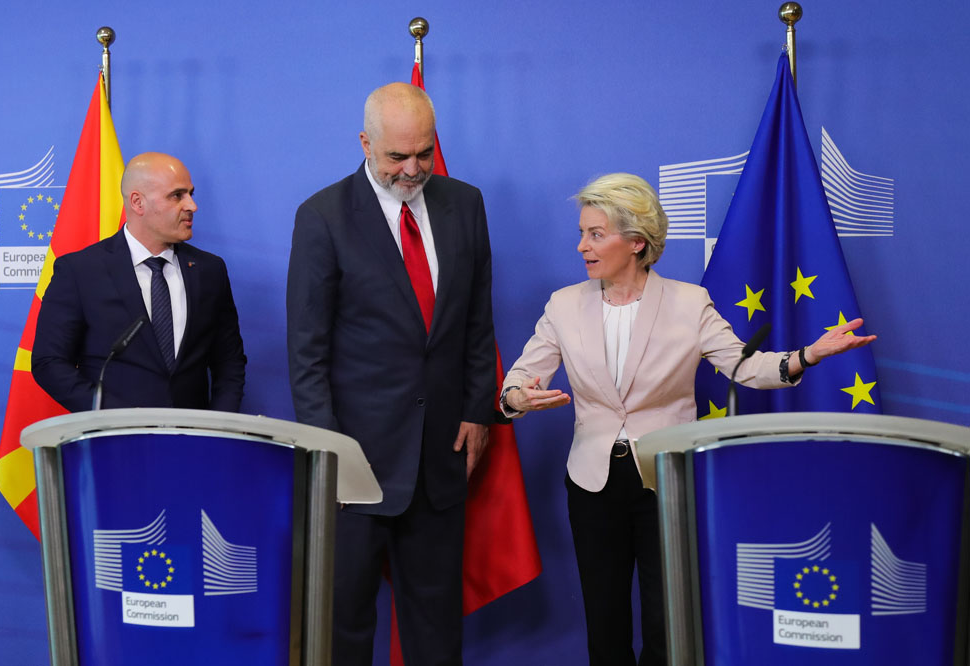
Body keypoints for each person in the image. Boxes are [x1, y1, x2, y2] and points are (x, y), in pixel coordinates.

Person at [499, 173, 875, 666]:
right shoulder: (563, 305)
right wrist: (518, 398)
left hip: (668, 481)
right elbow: (518, 379)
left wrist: (807, 355)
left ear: (636, 241)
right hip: (591, 483)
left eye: (595, 234)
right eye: (582, 233)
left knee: (668, 620)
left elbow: (745, 366)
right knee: (604, 621)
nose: (581, 246)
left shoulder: (688, 303)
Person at [286, 83, 495, 665]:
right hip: (354, 464)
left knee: (435, 628)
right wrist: (329, 454)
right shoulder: (322, 216)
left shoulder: (465, 204)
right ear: (365, 143)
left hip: (440, 457)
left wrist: (478, 410)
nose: (412, 169)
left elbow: (478, 321)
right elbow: (307, 351)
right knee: (344, 625)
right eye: (397, 156)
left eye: (424, 153)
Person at [32, 152, 246, 413]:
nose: (192, 205)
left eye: (190, 194)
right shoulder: (80, 271)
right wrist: (114, 417)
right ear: (137, 202)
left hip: (192, 434)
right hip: (113, 433)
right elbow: (49, 362)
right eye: (177, 195)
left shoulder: (210, 270)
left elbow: (229, 362)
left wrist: (219, 424)